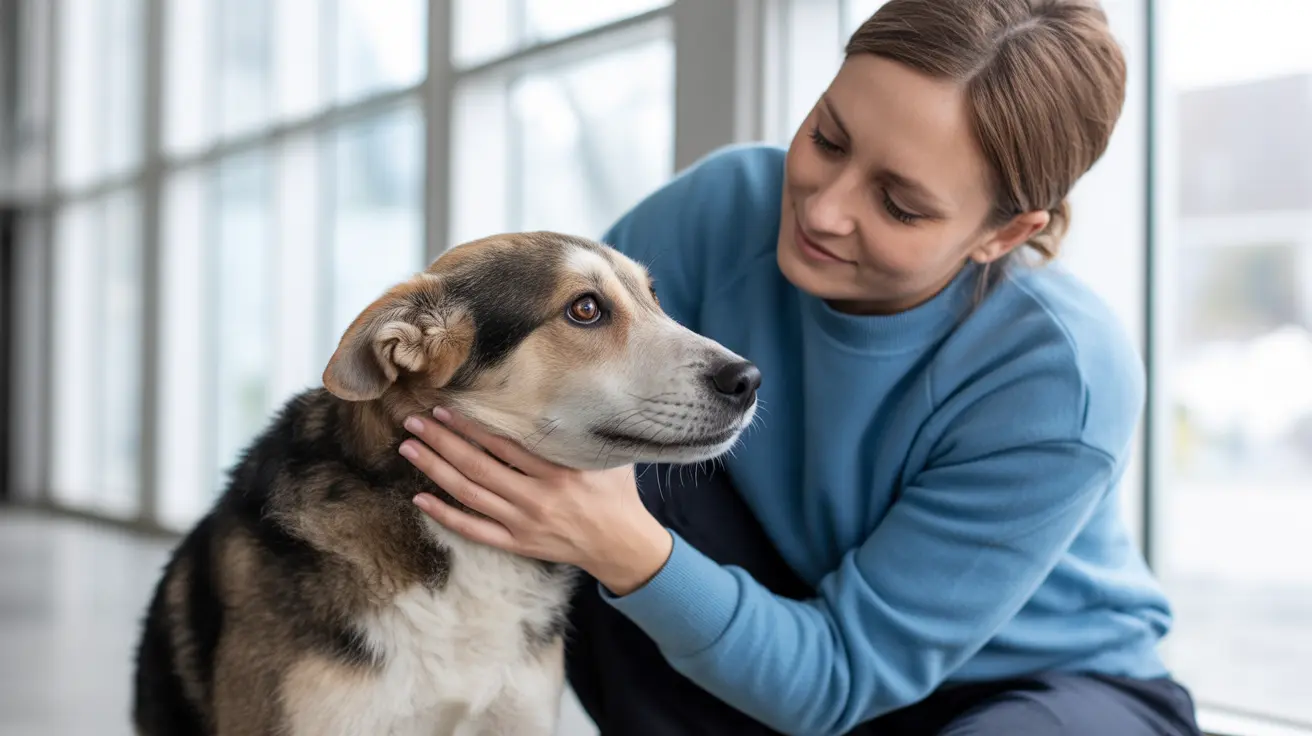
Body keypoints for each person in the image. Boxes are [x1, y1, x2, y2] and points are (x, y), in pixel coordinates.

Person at [398, 0, 1204, 733]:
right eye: (828, 137)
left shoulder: (1060, 376)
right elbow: (510, 396)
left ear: (1002, 234)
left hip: (1032, 688)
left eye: (899, 204)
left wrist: (624, 547)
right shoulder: (720, 210)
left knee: (611, 533)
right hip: (777, 636)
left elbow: (842, 674)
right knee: (566, 457)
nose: (822, 209)